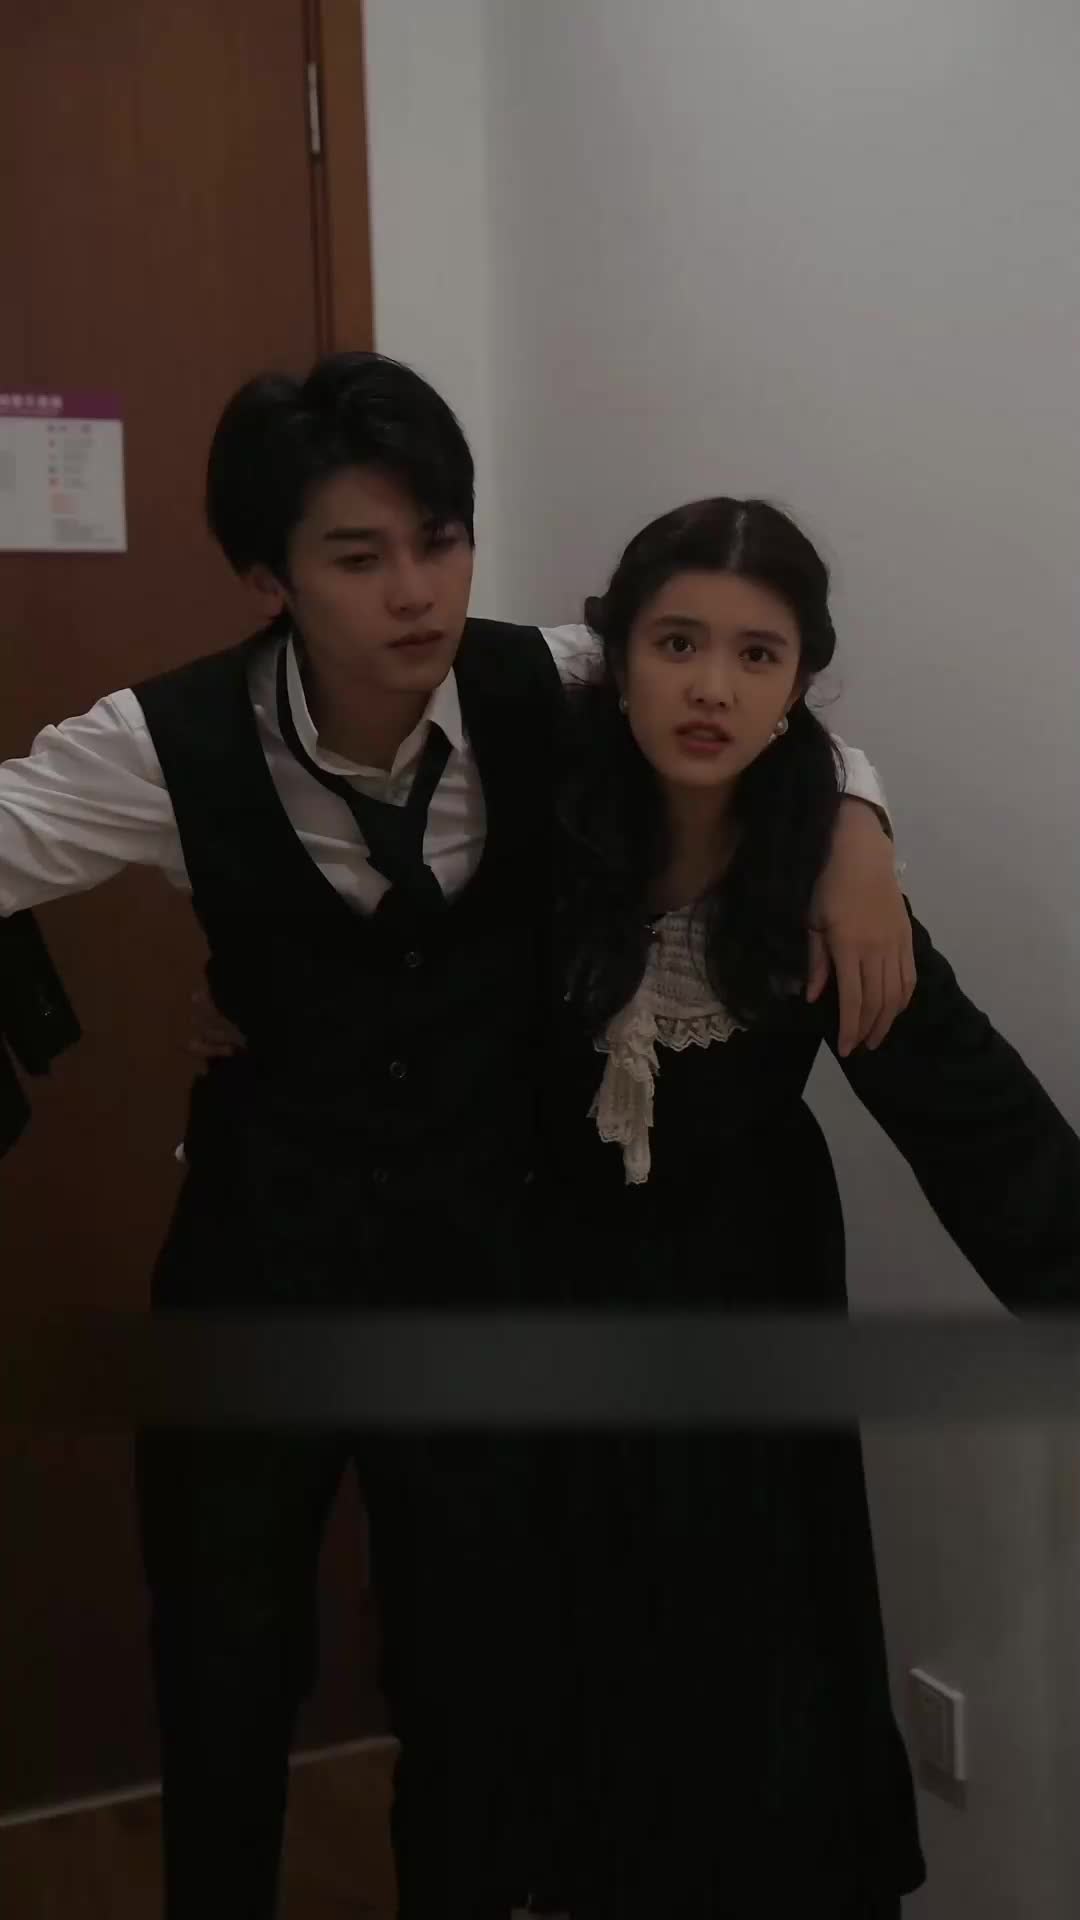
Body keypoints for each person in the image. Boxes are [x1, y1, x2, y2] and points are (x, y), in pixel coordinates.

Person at [0, 355, 911, 1920]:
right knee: (224, 1656)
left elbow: (756, 683)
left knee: (474, 1671)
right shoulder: (161, 743)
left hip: (487, 1270)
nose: (417, 592)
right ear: (269, 575)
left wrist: (859, 832)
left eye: (442, 540)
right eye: (359, 556)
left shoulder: (547, 678)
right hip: (256, 1271)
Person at [506, 496, 1080, 1918]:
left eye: (757, 656)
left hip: (748, 1295)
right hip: (552, 1291)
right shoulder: (533, 817)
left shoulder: (822, 886)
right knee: (564, 1639)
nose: (712, 686)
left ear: (799, 685)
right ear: (616, 659)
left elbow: (976, 1116)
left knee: (760, 1652)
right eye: (678, 644)